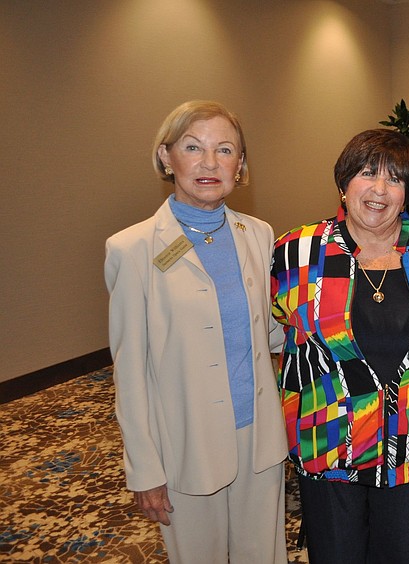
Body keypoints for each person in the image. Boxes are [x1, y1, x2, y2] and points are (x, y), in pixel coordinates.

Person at [104, 101, 288, 564]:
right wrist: (144, 468)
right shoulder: (133, 248)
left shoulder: (259, 234)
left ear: (240, 166)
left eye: (225, 150)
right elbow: (130, 372)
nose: (209, 163)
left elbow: (269, 332)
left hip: (259, 438)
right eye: (193, 147)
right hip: (186, 446)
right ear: (167, 158)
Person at [270, 128, 409, 564]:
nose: (379, 189)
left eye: (394, 178)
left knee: (402, 555)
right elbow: (273, 332)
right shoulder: (298, 250)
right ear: (343, 182)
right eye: (366, 173)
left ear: (408, 191)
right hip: (328, 437)